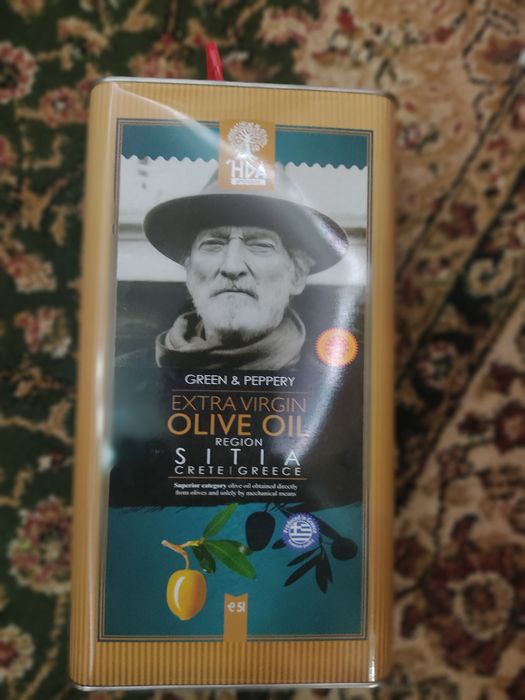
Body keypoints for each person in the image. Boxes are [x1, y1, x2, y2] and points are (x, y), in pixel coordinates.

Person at [137, 167, 350, 371]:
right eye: (212, 244)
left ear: (297, 275)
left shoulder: (333, 380)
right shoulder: (131, 371)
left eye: (261, 246)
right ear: (189, 271)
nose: (232, 267)